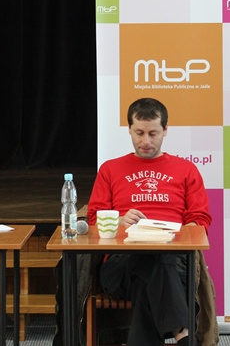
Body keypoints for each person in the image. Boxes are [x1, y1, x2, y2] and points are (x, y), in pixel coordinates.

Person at [86, 98, 216, 346]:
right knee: (155, 262)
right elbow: (94, 220)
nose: (146, 141)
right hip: (120, 264)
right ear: (129, 129)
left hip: (174, 263)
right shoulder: (110, 169)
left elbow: (200, 221)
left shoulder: (186, 169)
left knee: (154, 268)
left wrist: (170, 236)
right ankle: (182, 334)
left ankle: (182, 336)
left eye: (153, 133)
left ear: (165, 130)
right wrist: (119, 221)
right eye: (139, 133)